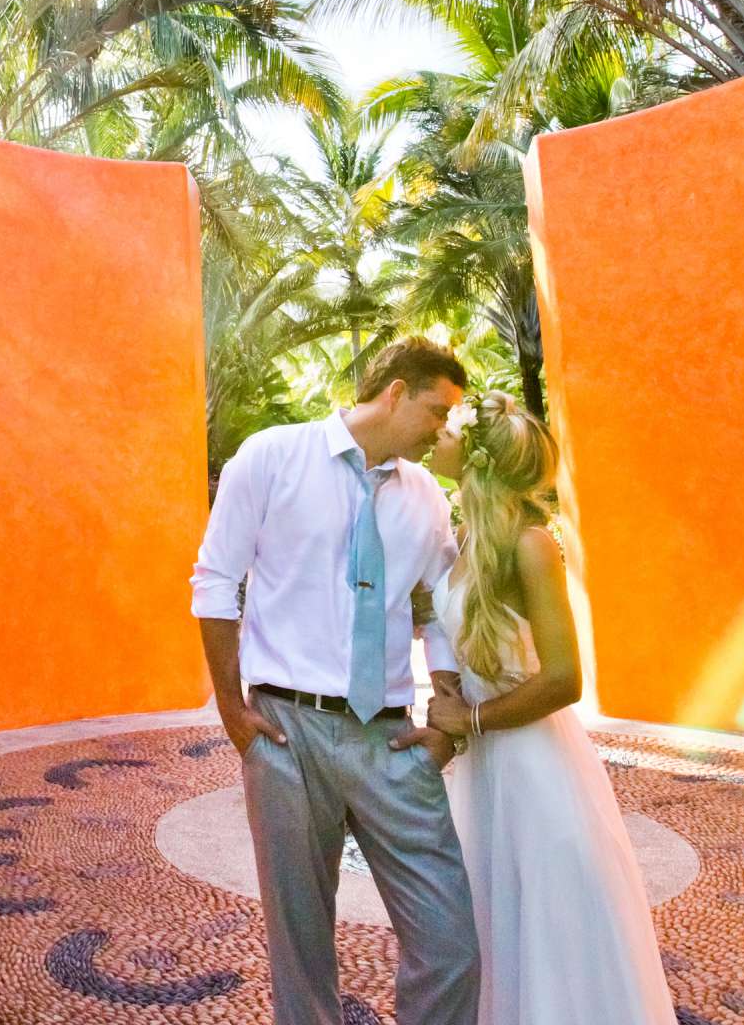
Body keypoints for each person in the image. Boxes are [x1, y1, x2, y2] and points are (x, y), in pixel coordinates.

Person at [192, 337, 480, 1025]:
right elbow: (214, 581)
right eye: (436, 412)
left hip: (389, 737)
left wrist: (443, 707)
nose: (443, 431)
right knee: (301, 945)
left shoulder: (426, 499)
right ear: (394, 393)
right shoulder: (270, 456)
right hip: (286, 731)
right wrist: (234, 713)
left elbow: (442, 607)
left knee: (451, 943)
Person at [391, 391, 677, 1025]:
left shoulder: (531, 544)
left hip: (536, 764)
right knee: (496, 920)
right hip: (488, 765)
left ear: (475, 456)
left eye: (449, 429)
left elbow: (565, 678)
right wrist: (447, 699)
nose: (437, 433)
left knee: (550, 923)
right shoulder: (465, 539)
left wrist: (469, 721)